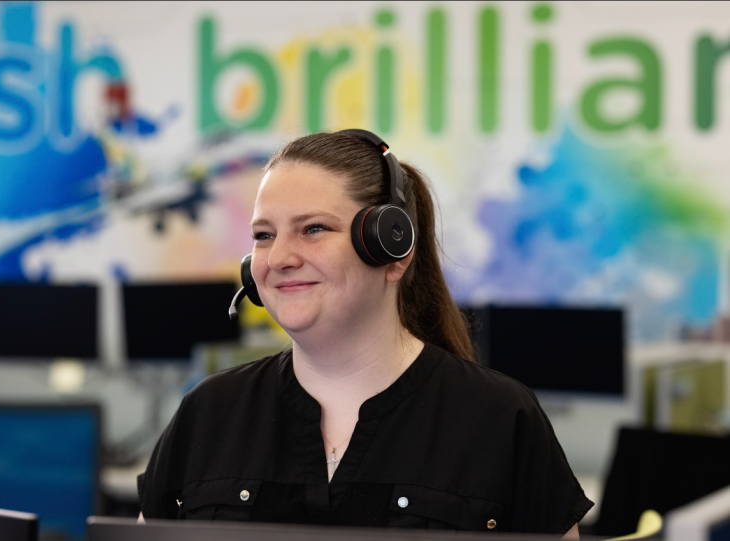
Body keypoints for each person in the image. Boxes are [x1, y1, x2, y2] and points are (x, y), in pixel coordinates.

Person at [137, 130, 592, 537]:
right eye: (263, 235)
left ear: (392, 249)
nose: (278, 258)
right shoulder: (209, 413)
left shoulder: (499, 418)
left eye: (313, 229)